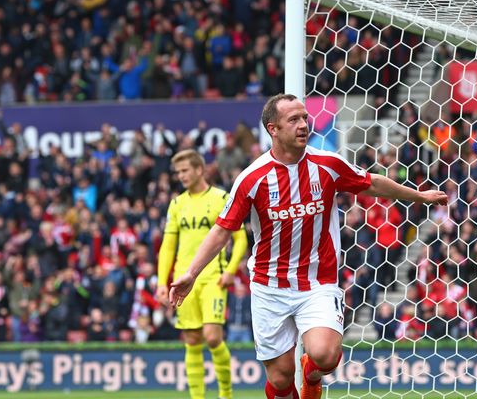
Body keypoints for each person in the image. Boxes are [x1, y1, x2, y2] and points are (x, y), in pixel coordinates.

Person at [170, 93, 448, 399]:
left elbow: (371, 183)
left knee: (325, 355)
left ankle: (312, 375)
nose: (303, 125)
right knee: (279, 379)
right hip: (269, 285)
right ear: (273, 129)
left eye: (304, 117)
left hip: (318, 281)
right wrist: (192, 273)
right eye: (294, 120)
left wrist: (418, 196)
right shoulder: (252, 179)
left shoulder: (327, 164)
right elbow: (222, 231)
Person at [156, 149, 247, 399]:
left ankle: (225, 395)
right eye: (178, 172)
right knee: (192, 339)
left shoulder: (220, 198)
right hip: (183, 280)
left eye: (185, 170)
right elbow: (168, 246)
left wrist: (230, 271)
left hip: (212, 278)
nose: (181, 176)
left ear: (199, 170)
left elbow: (240, 239)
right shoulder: (177, 204)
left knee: (212, 336)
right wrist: (162, 282)